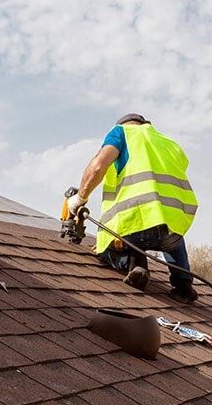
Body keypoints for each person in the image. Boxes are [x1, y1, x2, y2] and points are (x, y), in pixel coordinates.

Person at [66, 113, 199, 303]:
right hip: (173, 225)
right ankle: (183, 285)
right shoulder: (168, 143)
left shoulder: (121, 133)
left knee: (104, 249)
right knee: (172, 239)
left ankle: (135, 264)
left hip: (135, 224)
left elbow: (97, 167)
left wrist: (79, 198)